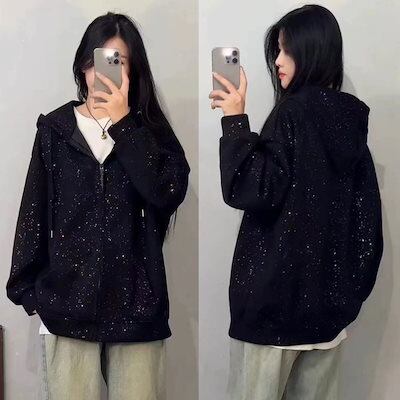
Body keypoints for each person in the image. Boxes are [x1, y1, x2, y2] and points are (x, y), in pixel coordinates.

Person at [6, 11, 190, 399]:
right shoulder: (56, 130)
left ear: (134, 70)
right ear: (82, 64)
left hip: (138, 313)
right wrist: (32, 294)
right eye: (97, 60)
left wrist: (125, 126)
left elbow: (168, 194)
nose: (102, 72)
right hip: (66, 311)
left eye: (117, 61)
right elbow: (33, 212)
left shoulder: (149, 132)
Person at [209, 4, 383, 400]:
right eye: (277, 50)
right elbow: (367, 226)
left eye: (286, 50)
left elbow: (249, 190)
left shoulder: (292, 114)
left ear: (312, 50)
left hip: (271, 316)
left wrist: (235, 120)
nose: (277, 61)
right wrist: (346, 296)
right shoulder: (350, 125)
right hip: (327, 322)